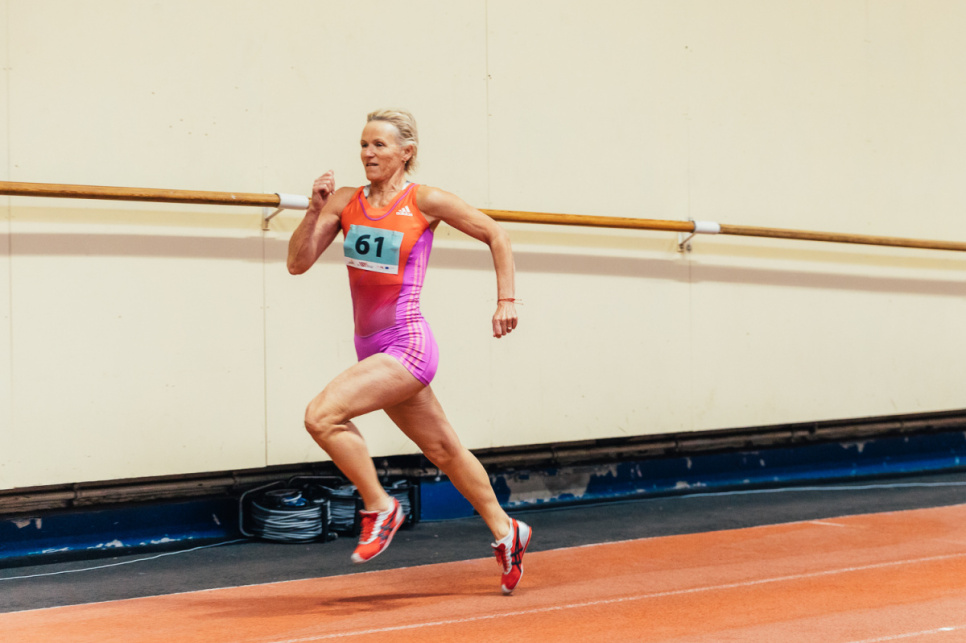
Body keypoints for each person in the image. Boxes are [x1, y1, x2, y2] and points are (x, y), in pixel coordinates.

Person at [286, 109, 531, 595]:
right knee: (443, 449)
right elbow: (297, 263)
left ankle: (380, 506)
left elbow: (496, 235)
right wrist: (314, 211)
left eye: (379, 145)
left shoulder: (424, 200)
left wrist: (506, 300)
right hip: (371, 349)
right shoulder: (345, 201)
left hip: (407, 345)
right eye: (363, 144)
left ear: (406, 152)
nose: (368, 153)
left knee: (321, 417)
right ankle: (507, 531)